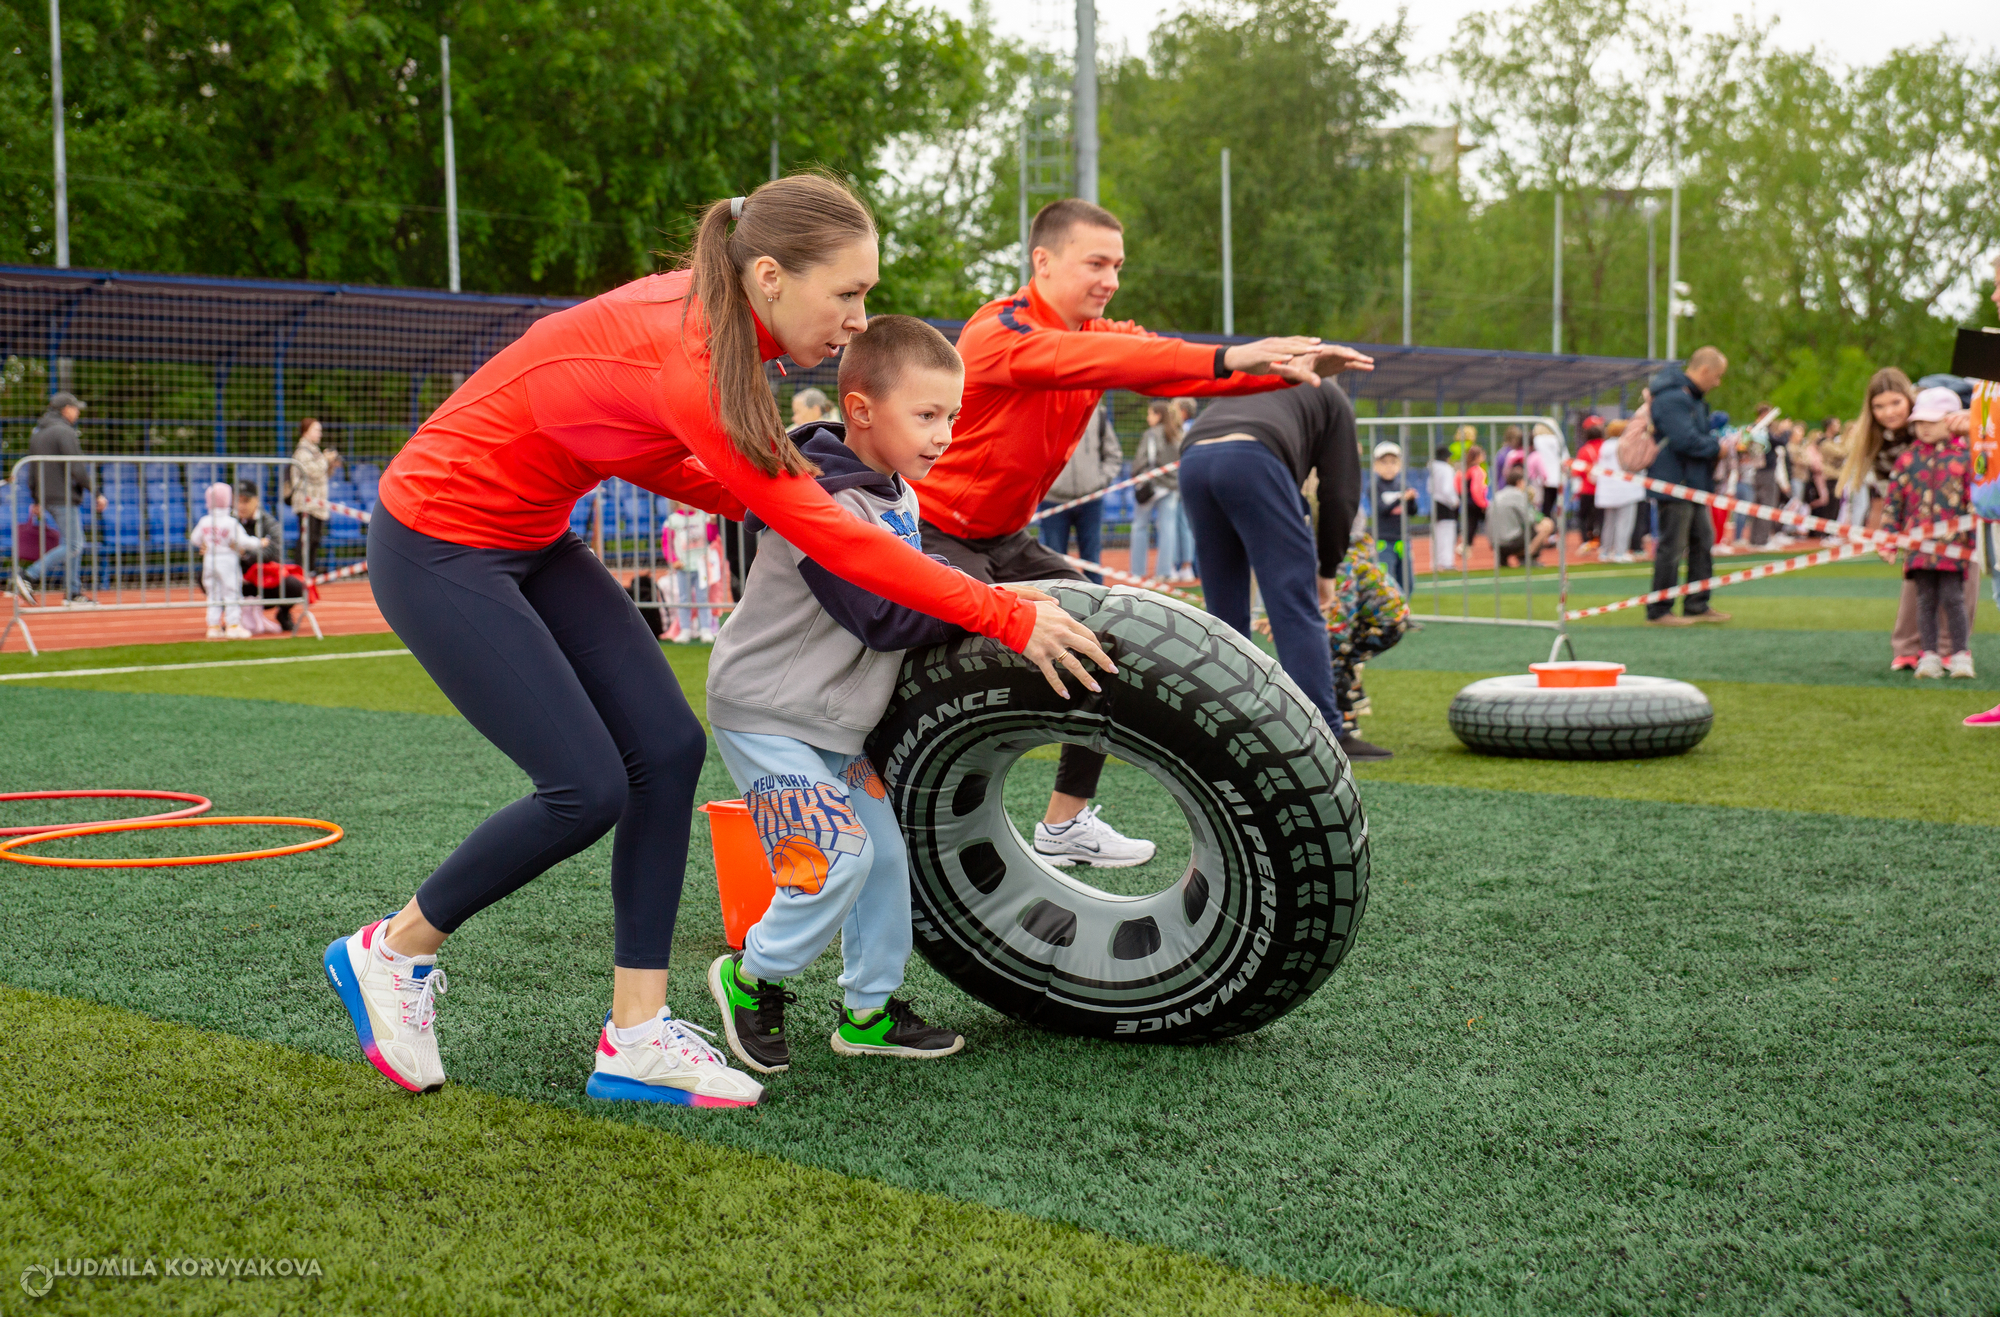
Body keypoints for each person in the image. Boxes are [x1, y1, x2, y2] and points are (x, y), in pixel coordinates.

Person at [323, 173, 1109, 1108]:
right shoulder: (692, 355)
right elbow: (819, 529)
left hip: (533, 536)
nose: (860, 321)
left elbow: (672, 461)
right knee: (585, 788)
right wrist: (1009, 610)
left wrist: (792, 486)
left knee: (666, 747)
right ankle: (394, 951)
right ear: (770, 275)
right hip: (436, 542)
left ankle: (636, 1035)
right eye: (849, 294)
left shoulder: (729, 336)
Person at [913, 197, 1369, 867]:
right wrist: (1236, 353)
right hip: (931, 532)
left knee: (1104, 638)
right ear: (1043, 261)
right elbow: (1099, 362)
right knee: (950, 661)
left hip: (1006, 536)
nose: (1111, 279)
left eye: (1118, 266)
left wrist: (1276, 367)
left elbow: (1161, 362)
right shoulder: (999, 333)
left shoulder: (1096, 332)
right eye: (1096, 262)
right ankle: (912, 816)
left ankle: (1064, 826)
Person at [705, 317, 971, 1076]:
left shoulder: (896, 497)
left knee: (885, 858)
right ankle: (751, 975)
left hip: (837, 729)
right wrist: (983, 601)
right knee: (837, 855)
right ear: (860, 410)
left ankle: (869, 1009)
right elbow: (881, 615)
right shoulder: (820, 502)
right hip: (768, 717)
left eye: (951, 415)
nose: (944, 434)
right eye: (926, 415)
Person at [1179, 377, 1392, 763]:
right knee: (1295, 605)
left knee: (1225, 614)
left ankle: (1226, 732)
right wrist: (1327, 568)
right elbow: (1340, 491)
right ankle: (1324, 734)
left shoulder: (1265, 377)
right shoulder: (1332, 396)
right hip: (1253, 454)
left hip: (1193, 457)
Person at [1879, 387, 1974, 678]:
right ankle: (1928, 654)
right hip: (1919, 548)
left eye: (1932, 422)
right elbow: (1893, 501)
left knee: (1953, 598)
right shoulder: (1907, 460)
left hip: (1954, 548)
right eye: (1920, 422)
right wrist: (1889, 536)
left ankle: (1959, 653)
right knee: (1925, 600)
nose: (1925, 428)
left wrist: (1974, 542)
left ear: (1951, 420)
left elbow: (1976, 502)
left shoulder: (1966, 458)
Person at [1644, 347, 1732, 626]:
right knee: (1672, 547)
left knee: (1702, 541)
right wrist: (1716, 448)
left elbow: (1693, 436)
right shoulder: (1672, 398)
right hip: (1675, 483)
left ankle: (1697, 603)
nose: (1717, 383)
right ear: (1704, 370)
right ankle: (1659, 610)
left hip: (1692, 483)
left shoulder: (1690, 398)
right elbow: (1684, 440)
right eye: (1717, 376)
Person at [14, 391, 106, 604]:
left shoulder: (38, 432)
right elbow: (76, 467)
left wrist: (36, 498)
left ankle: (73, 593)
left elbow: (33, 468)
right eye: (75, 408)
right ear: (66, 409)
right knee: (74, 545)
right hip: (62, 496)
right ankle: (29, 576)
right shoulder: (64, 431)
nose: (77, 413)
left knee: (73, 543)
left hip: (47, 496)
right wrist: (97, 492)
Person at [1035, 403, 1124, 584]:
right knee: (1054, 562)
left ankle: (1097, 605)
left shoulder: (1097, 413)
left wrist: (1099, 481)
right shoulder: (1045, 413)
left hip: (1090, 500)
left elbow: (1113, 454)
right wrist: (1046, 484)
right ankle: (1057, 606)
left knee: (1092, 560)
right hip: (1054, 501)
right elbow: (1031, 454)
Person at [188, 482, 261, 640]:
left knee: (213, 594)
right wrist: (259, 542)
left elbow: (194, 539)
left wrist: (206, 542)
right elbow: (244, 541)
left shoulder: (205, 521)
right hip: (227, 559)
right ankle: (233, 625)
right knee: (231, 592)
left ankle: (213, 626)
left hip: (210, 559)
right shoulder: (230, 522)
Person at [234, 481, 305, 632]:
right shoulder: (228, 522)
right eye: (238, 501)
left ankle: (283, 614)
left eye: (246, 501)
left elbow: (273, 553)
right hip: (235, 577)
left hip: (261, 580)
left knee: (295, 585)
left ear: (257, 500)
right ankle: (231, 619)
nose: (241, 506)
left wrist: (245, 554)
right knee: (207, 576)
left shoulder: (270, 523)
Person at [1129, 399, 1183, 582]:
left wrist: (1137, 473)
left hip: (1150, 486)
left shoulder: (1150, 434)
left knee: (1140, 527)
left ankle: (1137, 573)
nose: (1147, 417)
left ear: (1158, 415)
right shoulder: (1178, 434)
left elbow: (1141, 460)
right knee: (1167, 529)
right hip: (1172, 487)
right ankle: (1164, 572)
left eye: (1150, 413)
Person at [288, 417, 341, 577]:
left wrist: (331, 464)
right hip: (306, 503)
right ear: (306, 431)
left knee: (315, 540)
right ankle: (300, 573)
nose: (320, 433)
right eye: (316, 430)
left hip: (318, 503)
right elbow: (313, 472)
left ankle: (309, 571)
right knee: (306, 539)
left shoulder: (316, 451)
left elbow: (323, 475)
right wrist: (325, 459)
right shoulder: (302, 452)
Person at [1591, 421, 1645, 564]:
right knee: (1624, 522)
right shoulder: (1625, 444)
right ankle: (1620, 553)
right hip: (1626, 489)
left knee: (1609, 523)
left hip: (1608, 490)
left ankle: (1606, 551)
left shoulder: (1605, 446)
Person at [1366, 442, 1417, 585]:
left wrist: (1411, 500)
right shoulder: (1374, 486)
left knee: (1407, 583)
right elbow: (1382, 510)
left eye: (1393, 462)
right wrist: (1400, 498)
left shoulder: (1403, 485)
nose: (1389, 466)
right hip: (1384, 542)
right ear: (1375, 466)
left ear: (1399, 465)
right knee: (1386, 582)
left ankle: (1402, 607)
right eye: (1384, 462)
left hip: (1403, 541)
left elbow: (1412, 512)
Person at [1488, 466, 1553, 567]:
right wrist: (1531, 505)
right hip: (1511, 542)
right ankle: (1528, 558)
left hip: (1494, 543)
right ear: (1519, 482)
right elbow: (1531, 519)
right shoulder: (1518, 495)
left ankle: (1503, 558)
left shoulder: (1497, 495)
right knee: (1547, 524)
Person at [1570, 416, 1604, 553]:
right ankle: (1598, 540)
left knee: (1582, 517)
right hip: (1603, 490)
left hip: (1587, 489)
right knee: (1600, 517)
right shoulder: (1606, 447)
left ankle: (1586, 541)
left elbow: (1576, 473)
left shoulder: (1585, 450)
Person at [1428, 436, 1461, 571]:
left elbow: (1429, 487)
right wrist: (1454, 501)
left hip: (1435, 502)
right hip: (1446, 504)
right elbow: (1447, 489)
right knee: (1447, 534)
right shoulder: (1447, 469)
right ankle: (1447, 562)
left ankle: (1435, 562)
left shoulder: (1432, 468)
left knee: (1436, 535)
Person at [1530, 421, 1566, 519]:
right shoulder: (1558, 440)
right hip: (1558, 479)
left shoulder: (1537, 440)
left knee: (1541, 507)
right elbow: (1565, 458)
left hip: (1541, 478)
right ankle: (1553, 529)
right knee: (1553, 507)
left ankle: (1545, 528)